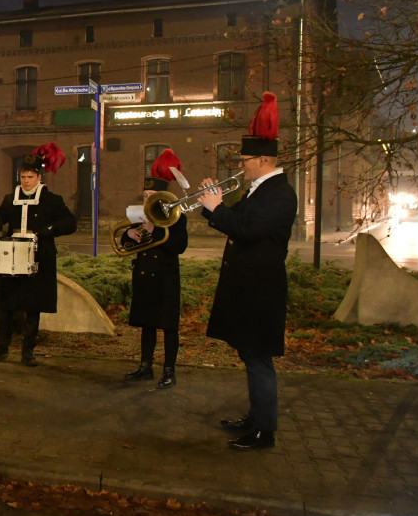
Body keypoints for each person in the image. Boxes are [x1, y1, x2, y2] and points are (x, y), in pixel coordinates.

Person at [197, 92, 298, 450]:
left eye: (244, 160)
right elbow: (238, 218)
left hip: (261, 291)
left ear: (261, 159)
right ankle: (256, 418)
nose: (240, 166)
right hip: (249, 289)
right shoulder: (261, 189)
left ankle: (264, 431)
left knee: (258, 360)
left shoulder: (279, 193)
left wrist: (215, 209)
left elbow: (247, 229)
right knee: (251, 357)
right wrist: (216, 204)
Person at [0, 143, 77, 367]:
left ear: (39, 177)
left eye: (30, 176)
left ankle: (28, 352)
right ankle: (1, 349)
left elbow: (69, 223)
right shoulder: (11, 199)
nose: (26, 181)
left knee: (33, 309)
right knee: (6, 307)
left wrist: (50, 230)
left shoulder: (51, 200)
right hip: (12, 260)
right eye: (23, 176)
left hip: (39, 258)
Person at [123, 148, 189, 388]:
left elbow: (179, 246)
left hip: (165, 277)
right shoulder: (140, 216)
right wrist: (129, 234)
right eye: (145, 195)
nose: (147, 200)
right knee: (147, 324)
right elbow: (125, 243)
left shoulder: (176, 217)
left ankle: (169, 370)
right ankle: (145, 366)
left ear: (162, 196)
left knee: (169, 327)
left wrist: (156, 230)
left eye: (151, 195)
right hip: (144, 275)